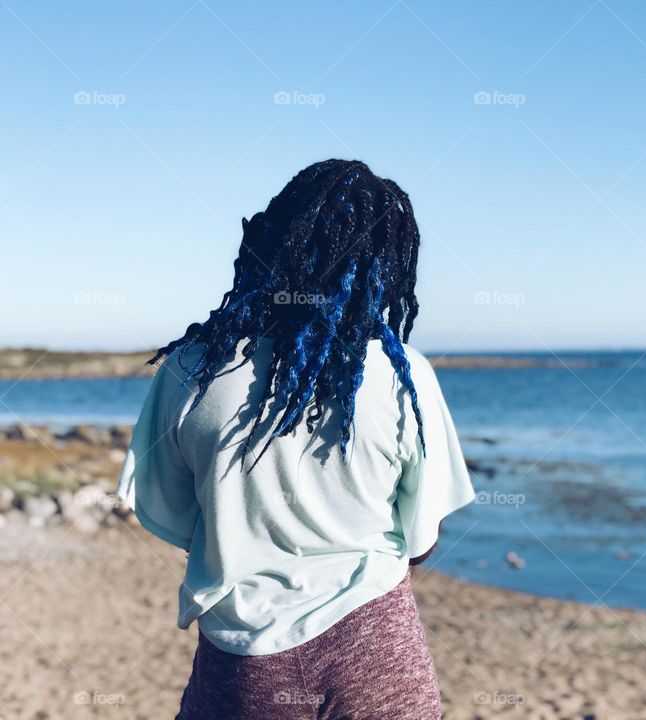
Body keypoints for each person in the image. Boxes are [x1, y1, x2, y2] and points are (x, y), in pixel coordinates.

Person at [117, 159, 475, 719]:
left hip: (242, 660)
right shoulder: (404, 374)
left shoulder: (189, 369)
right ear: (386, 261)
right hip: (376, 647)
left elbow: (171, 516)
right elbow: (422, 541)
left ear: (273, 238)